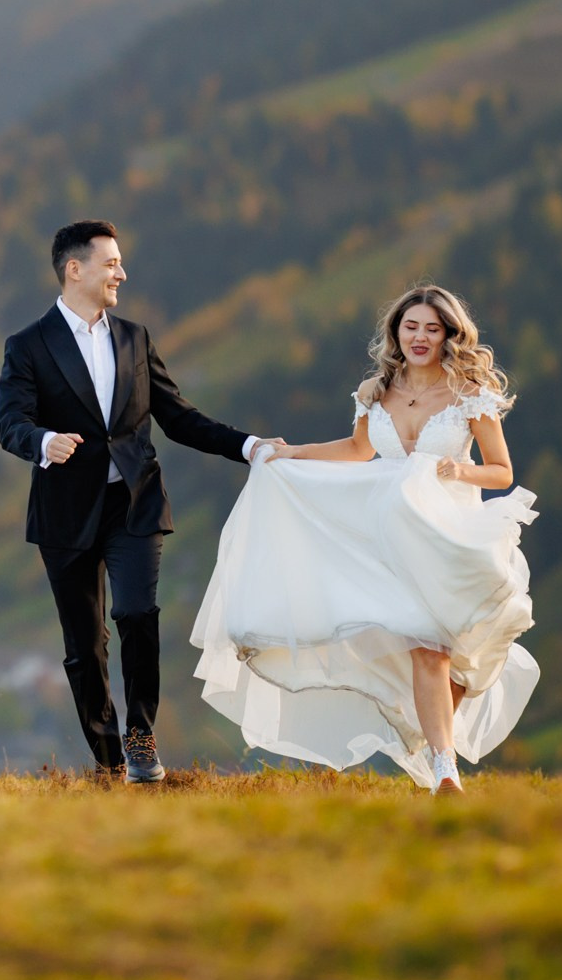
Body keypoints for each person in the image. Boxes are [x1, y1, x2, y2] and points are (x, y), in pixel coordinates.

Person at [190, 283, 541, 793]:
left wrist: (457, 471)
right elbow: (357, 451)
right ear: (396, 331)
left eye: (432, 328)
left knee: (461, 659)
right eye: (411, 326)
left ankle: (425, 733)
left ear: (449, 335)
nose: (420, 337)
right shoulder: (376, 391)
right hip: (388, 542)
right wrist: (291, 455)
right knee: (426, 647)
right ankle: (447, 773)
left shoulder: (470, 395)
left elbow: (502, 472)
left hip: (450, 538)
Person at [0, 220, 274, 782]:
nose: (121, 272)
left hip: (133, 504)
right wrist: (44, 442)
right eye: (111, 262)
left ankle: (141, 738)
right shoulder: (27, 345)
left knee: (136, 615)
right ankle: (107, 759)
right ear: (76, 269)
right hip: (64, 514)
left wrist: (248, 446)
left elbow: (178, 418)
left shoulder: (134, 338)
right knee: (84, 645)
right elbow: (9, 423)